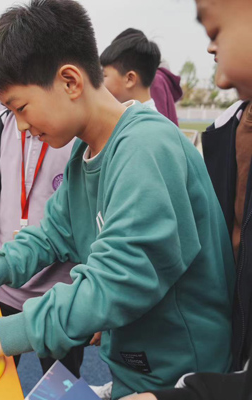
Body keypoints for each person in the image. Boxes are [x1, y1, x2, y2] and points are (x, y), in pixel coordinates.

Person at [0, 2, 234, 399]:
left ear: (70, 81)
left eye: (20, 107)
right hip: (135, 370)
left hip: (177, 380)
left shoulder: (145, 147)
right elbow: (51, 233)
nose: (21, 125)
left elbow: (115, 282)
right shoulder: (85, 151)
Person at [130, 0, 252, 399]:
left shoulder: (153, 139)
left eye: (215, 31)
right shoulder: (223, 134)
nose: (210, 48)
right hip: (225, 334)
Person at [0, 107, 81, 377]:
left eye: (22, 105)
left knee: (63, 383)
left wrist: (97, 301)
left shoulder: (82, 139)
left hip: (63, 294)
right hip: (3, 284)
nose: (23, 123)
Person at [100, 28, 160, 110]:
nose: (100, 82)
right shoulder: (135, 116)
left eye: (104, 75)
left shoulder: (141, 121)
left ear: (130, 79)